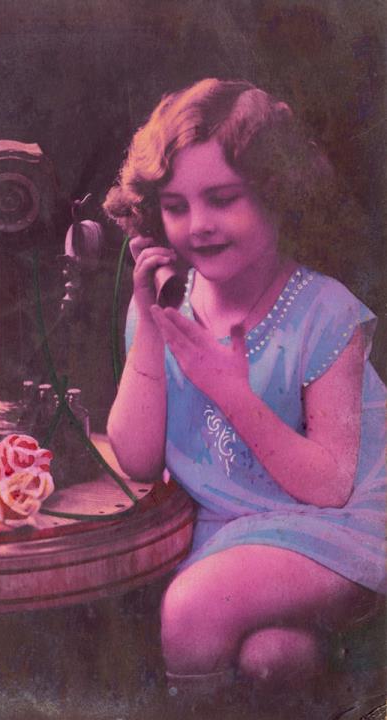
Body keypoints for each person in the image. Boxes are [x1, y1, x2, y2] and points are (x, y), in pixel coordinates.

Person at [103, 79, 386, 717]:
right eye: (175, 206)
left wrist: (232, 392)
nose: (198, 225)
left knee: (193, 606)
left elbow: (330, 486)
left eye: (223, 199)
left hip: (340, 528)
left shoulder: (325, 313)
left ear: (276, 192)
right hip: (226, 534)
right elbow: (138, 458)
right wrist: (148, 326)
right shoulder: (163, 305)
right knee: (273, 657)